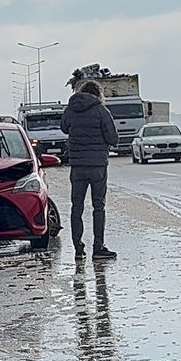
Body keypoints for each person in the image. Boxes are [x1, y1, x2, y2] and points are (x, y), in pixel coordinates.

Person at [58, 80, 121, 259]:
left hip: (77, 166)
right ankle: (98, 247)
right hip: (98, 167)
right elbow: (113, 139)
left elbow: (64, 128)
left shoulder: (71, 109)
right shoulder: (102, 111)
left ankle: (78, 248)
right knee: (98, 206)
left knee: (76, 207)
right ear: (98, 93)